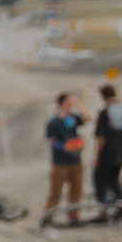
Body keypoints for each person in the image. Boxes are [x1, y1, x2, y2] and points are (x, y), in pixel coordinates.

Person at [39, 92, 87, 226]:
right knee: (55, 193)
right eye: (68, 102)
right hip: (60, 163)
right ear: (61, 103)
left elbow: (88, 118)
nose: (70, 104)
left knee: (76, 191)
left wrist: (78, 105)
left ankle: (73, 216)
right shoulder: (53, 122)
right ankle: (47, 216)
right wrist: (64, 146)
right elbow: (51, 141)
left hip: (75, 161)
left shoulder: (73, 118)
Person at [92, 83, 122, 207]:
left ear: (103, 96)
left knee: (100, 181)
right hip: (120, 152)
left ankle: (105, 205)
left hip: (106, 154)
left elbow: (100, 138)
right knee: (114, 181)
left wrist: (96, 157)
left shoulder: (105, 113)